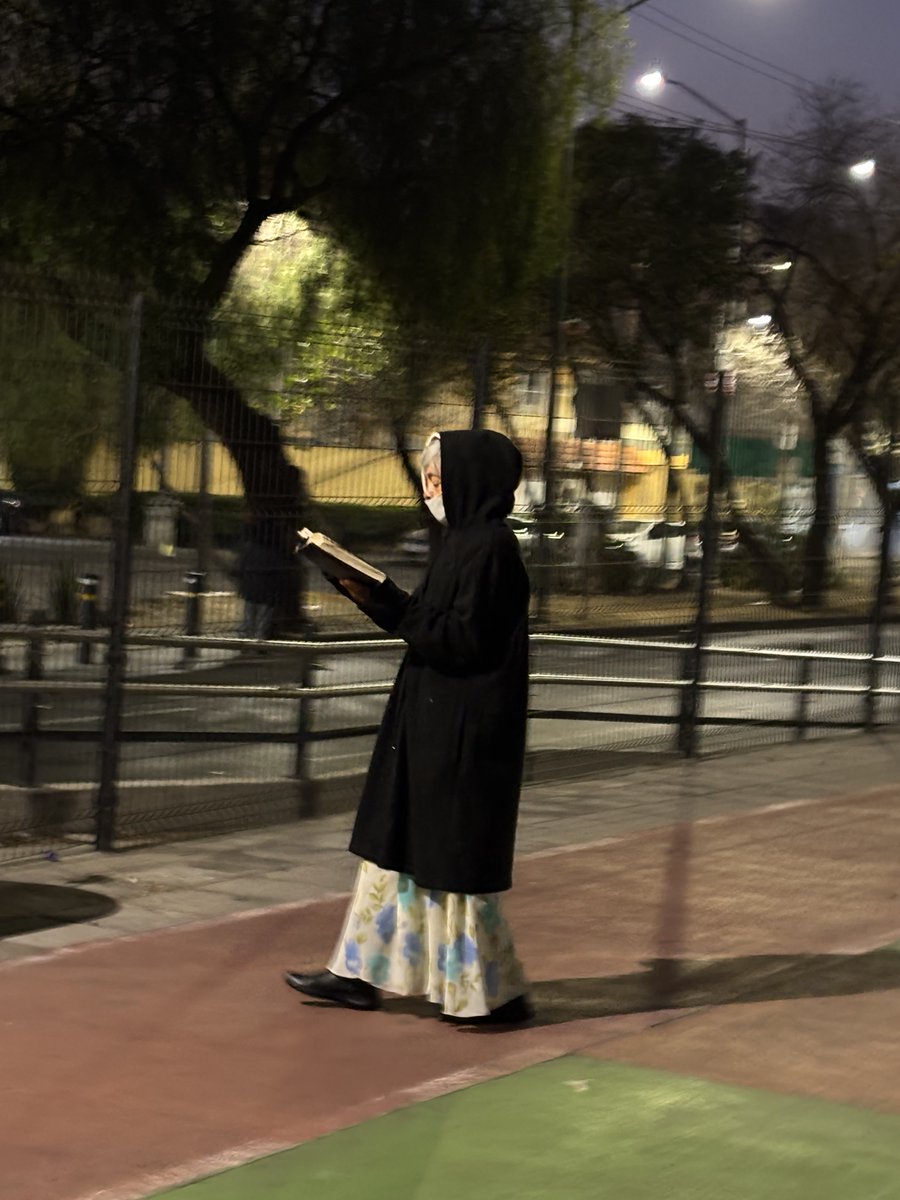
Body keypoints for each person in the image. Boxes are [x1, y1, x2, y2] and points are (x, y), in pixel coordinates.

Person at [285, 429, 533, 1025]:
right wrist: (373, 596)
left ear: (470, 478)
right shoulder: (460, 544)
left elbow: (460, 641)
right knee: (390, 851)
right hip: (429, 724)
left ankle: (492, 995)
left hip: (462, 734)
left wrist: (388, 600)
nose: (430, 488)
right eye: (427, 475)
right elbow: (429, 625)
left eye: (437, 474)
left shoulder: (491, 550)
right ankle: (356, 974)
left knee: (453, 863)